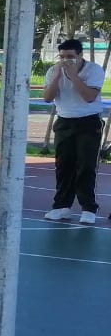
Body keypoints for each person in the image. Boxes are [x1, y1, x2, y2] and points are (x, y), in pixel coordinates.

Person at [41, 38, 105, 224]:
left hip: (88, 121)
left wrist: (74, 75)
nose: (65, 60)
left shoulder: (93, 70)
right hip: (64, 122)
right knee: (63, 165)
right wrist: (57, 77)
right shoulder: (54, 71)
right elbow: (47, 98)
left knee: (86, 166)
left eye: (70, 57)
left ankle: (88, 208)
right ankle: (62, 206)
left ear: (80, 55)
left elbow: (89, 97)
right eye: (62, 56)